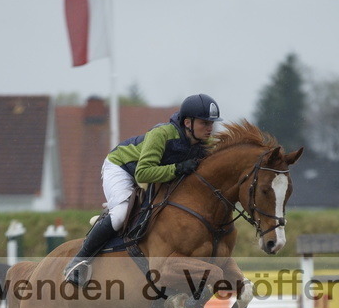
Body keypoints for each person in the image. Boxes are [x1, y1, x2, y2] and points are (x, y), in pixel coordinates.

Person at [64, 92, 221, 285]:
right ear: (188, 123)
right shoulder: (162, 134)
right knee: (121, 213)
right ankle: (78, 261)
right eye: (204, 123)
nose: (209, 129)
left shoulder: (203, 144)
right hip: (121, 167)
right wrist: (177, 168)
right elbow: (143, 173)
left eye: (211, 124)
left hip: (152, 175)